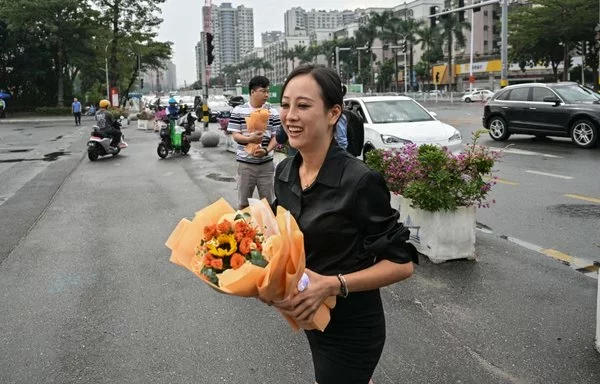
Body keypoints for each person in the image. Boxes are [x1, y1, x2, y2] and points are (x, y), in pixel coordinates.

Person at [265, 65, 416, 384]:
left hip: (353, 328)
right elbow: (281, 242)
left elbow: (402, 265)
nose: (290, 115)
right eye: (285, 104)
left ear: (333, 113)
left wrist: (333, 284)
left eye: (303, 105)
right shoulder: (285, 173)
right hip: (310, 316)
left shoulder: (359, 181)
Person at [227, 76, 281, 210]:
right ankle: (244, 230)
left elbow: (276, 136)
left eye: (268, 91)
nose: (267, 95)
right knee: (244, 205)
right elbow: (235, 135)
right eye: (263, 91)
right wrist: (250, 140)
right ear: (252, 92)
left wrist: (266, 150)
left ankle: (267, 230)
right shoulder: (239, 111)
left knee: (268, 205)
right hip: (245, 165)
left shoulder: (272, 112)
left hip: (266, 166)